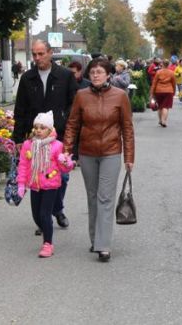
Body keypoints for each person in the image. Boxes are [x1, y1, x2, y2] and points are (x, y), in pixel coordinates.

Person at [63, 58, 135, 262]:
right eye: (92, 72)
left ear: (108, 75)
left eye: (99, 72)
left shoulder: (120, 96)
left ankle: (104, 245)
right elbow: (72, 124)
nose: (95, 75)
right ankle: (95, 238)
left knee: (105, 197)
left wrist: (129, 156)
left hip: (111, 152)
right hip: (87, 153)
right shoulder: (81, 96)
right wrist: (67, 150)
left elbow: (127, 128)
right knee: (93, 197)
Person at [13, 40, 77, 229]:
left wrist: (64, 122)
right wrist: (18, 137)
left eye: (41, 54)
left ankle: (56, 208)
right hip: (36, 137)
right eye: (34, 54)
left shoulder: (65, 76)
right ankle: (46, 216)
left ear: (50, 53)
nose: (37, 58)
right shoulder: (27, 78)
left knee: (62, 176)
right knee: (40, 175)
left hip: (59, 135)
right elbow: (20, 109)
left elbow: (74, 104)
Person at [17, 111, 74, 258]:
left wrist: (66, 162)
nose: (38, 130)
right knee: (37, 216)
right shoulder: (28, 145)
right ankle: (46, 228)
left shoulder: (57, 146)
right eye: (36, 127)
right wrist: (21, 184)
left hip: (51, 184)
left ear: (50, 130)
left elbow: (64, 169)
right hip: (35, 184)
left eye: (42, 127)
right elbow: (23, 165)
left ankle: (48, 244)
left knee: (44, 213)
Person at [150, 59, 177, 127]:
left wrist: (152, 93)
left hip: (158, 91)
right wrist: (174, 91)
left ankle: (160, 120)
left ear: (162, 64)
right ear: (168, 65)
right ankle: (164, 121)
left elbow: (154, 83)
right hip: (168, 91)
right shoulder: (171, 73)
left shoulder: (158, 72)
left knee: (159, 106)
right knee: (166, 107)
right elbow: (174, 83)